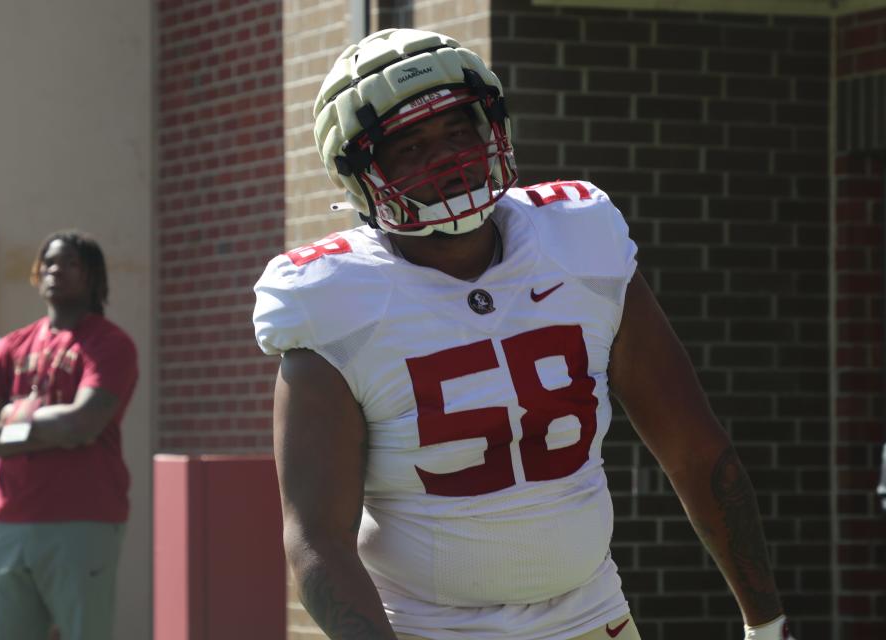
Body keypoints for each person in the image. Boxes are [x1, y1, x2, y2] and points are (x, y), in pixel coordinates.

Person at [254, 28, 797, 640]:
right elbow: (316, 539)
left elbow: (695, 449)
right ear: (358, 173)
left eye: (459, 130)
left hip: (592, 617)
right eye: (409, 146)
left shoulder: (579, 239)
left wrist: (767, 623)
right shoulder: (331, 299)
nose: (448, 159)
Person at [0, 230, 138, 640]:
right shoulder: (10, 347)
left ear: (93, 276)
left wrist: (10, 417)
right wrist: (50, 426)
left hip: (82, 518)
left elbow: (83, 424)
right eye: (49, 261)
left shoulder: (110, 344)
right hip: (5, 523)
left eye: (69, 262)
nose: (55, 269)